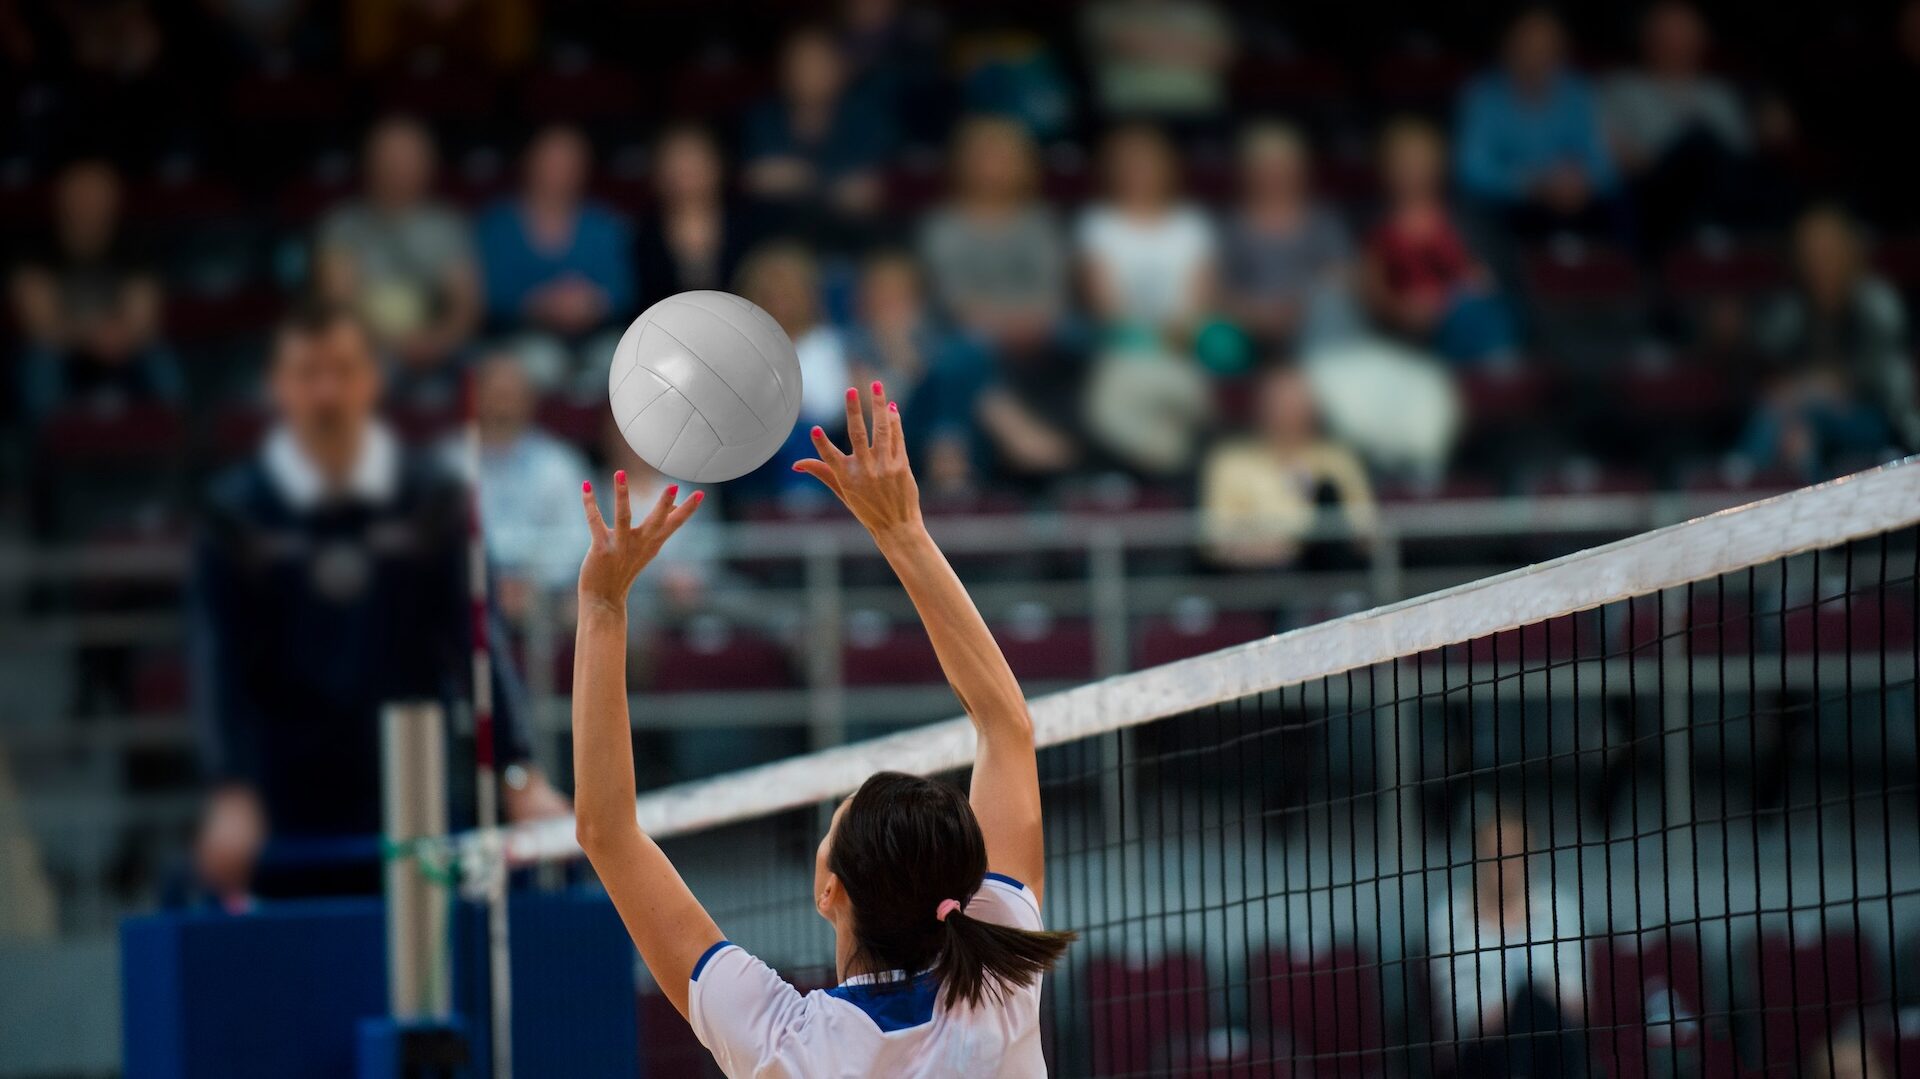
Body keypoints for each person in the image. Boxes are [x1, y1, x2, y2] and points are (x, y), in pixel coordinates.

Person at [570, 381, 1074, 1077]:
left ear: (828, 890)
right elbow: (1006, 725)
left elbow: (606, 830)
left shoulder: (787, 1042)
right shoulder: (1001, 979)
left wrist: (601, 606)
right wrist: (904, 531)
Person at [188, 302, 567, 907]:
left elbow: (476, 643)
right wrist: (230, 790)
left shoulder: (433, 499)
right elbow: (218, 658)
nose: (326, 391)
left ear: (373, 380)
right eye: (307, 373)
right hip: (285, 804)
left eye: (342, 369)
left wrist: (519, 773)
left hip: (412, 790)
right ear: (278, 388)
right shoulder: (236, 513)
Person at [314, 115, 481, 406]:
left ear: (428, 164)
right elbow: (338, 304)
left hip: (438, 350)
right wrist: (388, 345)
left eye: (409, 157)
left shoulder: (447, 226)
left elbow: (465, 307)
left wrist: (434, 343)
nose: (398, 166)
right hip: (366, 351)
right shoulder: (343, 225)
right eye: (389, 156)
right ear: (369, 162)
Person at [1740, 205, 1916, 479]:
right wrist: (1804, 391)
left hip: (1880, 422)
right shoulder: (1793, 309)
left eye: (1828, 250)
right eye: (1811, 251)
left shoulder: (1877, 302)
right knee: (1787, 421)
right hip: (1801, 417)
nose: (1820, 260)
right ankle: (1741, 480)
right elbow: (1770, 373)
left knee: (1806, 421)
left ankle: (1746, 471)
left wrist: (1820, 388)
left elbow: (1878, 378)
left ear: (1850, 250)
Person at [10, 158, 181, 425]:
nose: (89, 204)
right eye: (81, 195)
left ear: (115, 200)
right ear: (61, 199)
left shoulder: (136, 247)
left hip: (123, 347)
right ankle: (43, 441)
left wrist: (120, 335)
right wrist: (90, 336)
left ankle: (174, 433)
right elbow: (40, 323)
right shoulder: (35, 250)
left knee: (158, 355)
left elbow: (144, 318)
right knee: (39, 360)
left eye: (98, 195)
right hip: (62, 349)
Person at [1428, 802, 1587, 1078]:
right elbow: (1460, 1014)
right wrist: (1517, 1007)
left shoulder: (1559, 907)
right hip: (1483, 1052)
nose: (1504, 865)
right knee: (1526, 1009)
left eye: (1515, 854)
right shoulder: (1450, 916)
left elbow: (1577, 1002)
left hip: (1555, 1041)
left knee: (1535, 1010)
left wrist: (1530, 1002)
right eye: (1495, 854)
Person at [476, 124, 633, 389]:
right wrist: (538, 304)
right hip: (521, 338)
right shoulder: (498, 223)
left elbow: (623, 289)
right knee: (541, 362)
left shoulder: (603, 223)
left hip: (595, 338)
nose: (559, 171)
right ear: (529, 162)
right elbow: (488, 294)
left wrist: (594, 302)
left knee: (619, 361)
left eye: (570, 163)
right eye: (550, 161)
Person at [1361, 118, 1518, 367]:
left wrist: (1446, 301)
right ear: (1388, 168)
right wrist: (1403, 310)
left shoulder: (1464, 221)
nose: (1412, 172)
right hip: (1405, 337)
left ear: (1437, 165)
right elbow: (1372, 293)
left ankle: (1498, 375)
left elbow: (1483, 279)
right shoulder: (1376, 228)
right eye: (1404, 163)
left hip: (1461, 326)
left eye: (1420, 163)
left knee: (1480, 314)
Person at [1455, 8, 1619, 240]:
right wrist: (1532, 184)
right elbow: (1472, 170)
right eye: (1527, 44)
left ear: (1561, 50)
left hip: (1574, 202)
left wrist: (1581, 182)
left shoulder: (1580, 93)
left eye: (1546, 46)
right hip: (1509, 208)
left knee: (1616, 210)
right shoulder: (1480, 95)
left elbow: (1604, 164)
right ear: (1507, 46)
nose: (1536, 54)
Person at [1601, 2, 1752, 251]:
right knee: (1696, 144)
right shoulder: (1623, 88)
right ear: (1647, 38)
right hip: (1654, 196)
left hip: (1720, 197)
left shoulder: (1720, 95)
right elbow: (1614, 150)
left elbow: (1739, 158)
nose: (1676, 42)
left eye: (1684, 32)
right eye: (1667, 33)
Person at [1199, 363, 1375, 570]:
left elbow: (1366, 527)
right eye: (1282, 403)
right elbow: (1216, 537)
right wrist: (1281, 549)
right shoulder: (1231, 462)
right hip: (1259, 578)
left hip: (1331, 571)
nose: (1291, 411)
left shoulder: (1338, 459)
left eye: (1298, 403)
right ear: (1262, 407)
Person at [918, 116, 1071, 354]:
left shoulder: (1041, 223)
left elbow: (1052, 289)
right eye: (983, 157)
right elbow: (951, 296)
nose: (991, 167)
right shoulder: (942, 226)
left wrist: (1028, 324)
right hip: (965, 334)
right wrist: (999, 327)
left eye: (1002, 158)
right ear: (961, 163)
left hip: (1038, 331)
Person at [842, 251, 990, 494]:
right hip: (886, 437)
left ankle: (949, 467)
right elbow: (873, 407)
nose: (890, 303)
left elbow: (946, 393)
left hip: (937, 434)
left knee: (959, 367)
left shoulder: (935, 340)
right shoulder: (855, 342)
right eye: (882, 294)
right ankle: (948, 466)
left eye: (899, 295)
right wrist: (894, 349)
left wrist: (905, 351)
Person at [459, 351, 592, 617]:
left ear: (530, 401)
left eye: (511, 396)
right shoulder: (450, 462)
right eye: (495, 394)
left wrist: (532, 582)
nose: (502, 406)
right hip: (466, 591)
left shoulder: (559, 463)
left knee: (582, 609)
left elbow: (578, 538)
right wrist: (490, 581)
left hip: (542, 596)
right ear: (476, 397)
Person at [1219, 122, 1355, 353]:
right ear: (1249, 172)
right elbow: (1218, 288)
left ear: (1299, 170)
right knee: (1219, 338)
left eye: (1282, 167)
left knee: (1333, 308)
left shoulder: (1323, 221)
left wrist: (1297, 305)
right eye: (1265, 168)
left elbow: (1341, 278)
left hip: (1310, 318)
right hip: (1249, 324)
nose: (1275, 175)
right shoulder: (1232, 226)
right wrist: (1255, 312)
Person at [1076, 123, 1218, 343]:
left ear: (1166, 168)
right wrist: (1145, 335)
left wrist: (1181, 330)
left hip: (1186, 330)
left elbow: (1201, 295)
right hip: (1121, 330)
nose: (1138, 174)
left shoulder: (1192, 223)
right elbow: (1103, 302)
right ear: (1112, 171)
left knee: (1222, 346)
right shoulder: (1097, 223)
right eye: (1129, 167)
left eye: (1146, 166)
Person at [741, 25, 893, 227]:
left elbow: (861, 194)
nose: (809, 73)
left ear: (840, 69)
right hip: (779, 231)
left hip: (853, 233)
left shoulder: (866, 119)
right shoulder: (763, 119)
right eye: (800, 64)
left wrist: (801, 178)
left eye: (819, 63)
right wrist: (831, 184)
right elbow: (759, 183)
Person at [634, 125, 758, 308]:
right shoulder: (642, 234)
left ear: (717, 165)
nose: (685, 171)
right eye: (676, 161)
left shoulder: (750, 224)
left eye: (694, 160)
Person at [1079, 0, 1233, 130]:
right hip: (1129, 115)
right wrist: (1194, 48)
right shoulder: (1105, 11)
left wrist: (1154, 45)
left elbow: (1224, 55)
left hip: (1202, 113)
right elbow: (1129, 44)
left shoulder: (1200, 13)